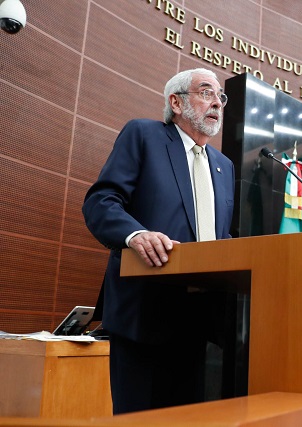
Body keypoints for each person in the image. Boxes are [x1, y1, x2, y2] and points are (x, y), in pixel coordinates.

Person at [82, 68, 235, 414]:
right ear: (176, 102)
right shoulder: (144, 135)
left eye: (220, 97)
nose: (217, 103)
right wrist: (135, 234)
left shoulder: (224, 166)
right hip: (144, 315)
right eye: (206, 92)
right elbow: (101, 201)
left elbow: (218, 235)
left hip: (199, 324)